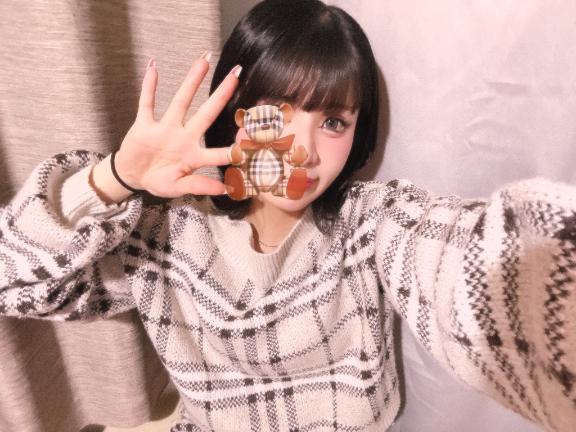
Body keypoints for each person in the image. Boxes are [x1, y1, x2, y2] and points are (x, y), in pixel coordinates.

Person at [0, 0, 574, 431]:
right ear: (234, 113)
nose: (302, 150)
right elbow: (15, 285)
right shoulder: (166, 237)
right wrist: (113, 179)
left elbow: (465, 263)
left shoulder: (368, 224)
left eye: (333, 122)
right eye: (276, 112)